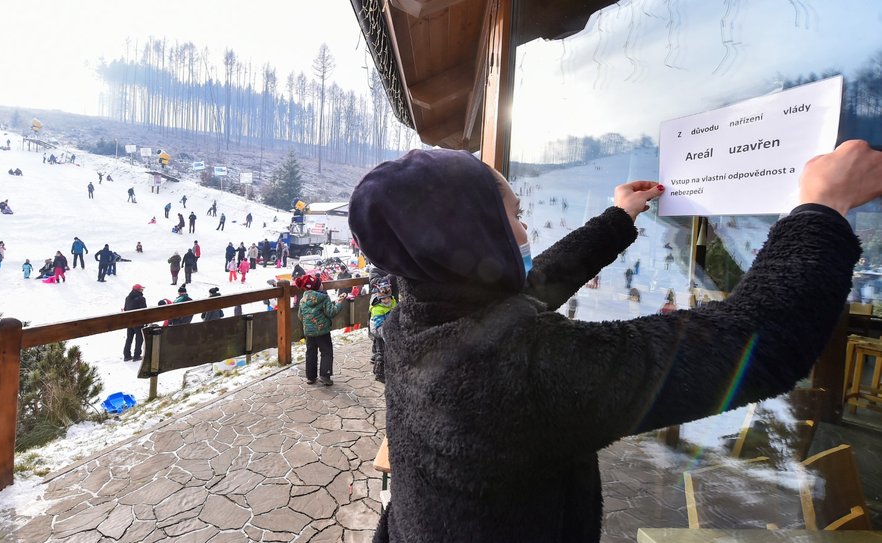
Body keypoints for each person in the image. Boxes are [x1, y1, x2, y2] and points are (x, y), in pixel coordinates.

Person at [346, 144, 882, 542]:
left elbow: (531, 290)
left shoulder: (413, 321)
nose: (526, 227)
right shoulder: (520, 365)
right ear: (471, 232)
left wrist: (618, 218)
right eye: (513, 213)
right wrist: (822, 210)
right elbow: (755, 343)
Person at [297, 274, 346, 386]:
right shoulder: (324, 297)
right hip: (322, 331)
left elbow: (300, 316)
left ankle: (310, 376)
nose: (322, 285)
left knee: (310, 353)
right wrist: (339, 303)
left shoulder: (303, 299)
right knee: (326, 352)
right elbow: (331, 312)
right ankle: (325, 375)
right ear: (317, 287)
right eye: (320, 284)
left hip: (309, 332)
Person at [368, 277, 396, 383]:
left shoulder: (392, 302)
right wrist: (385, 336)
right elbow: (379, 324)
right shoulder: (377, 309)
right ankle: (379, 374)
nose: (386, 300)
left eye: (388, 298)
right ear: (379, 298)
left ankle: (379, 370)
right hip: (379, 331)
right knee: (381, 352)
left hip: (388, 329)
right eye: (384, 299)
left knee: (386, 351)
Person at [123, 284, 147, 361]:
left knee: (129, 338)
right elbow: (144, 311)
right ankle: (137, 355)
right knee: (139, 338)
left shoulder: (127, 298)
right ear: (138, 290)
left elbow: (125, 309)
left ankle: (127, 355)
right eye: (141, 289)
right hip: (138, 322)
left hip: (129, 321)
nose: (142, 290)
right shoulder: (141, 299)